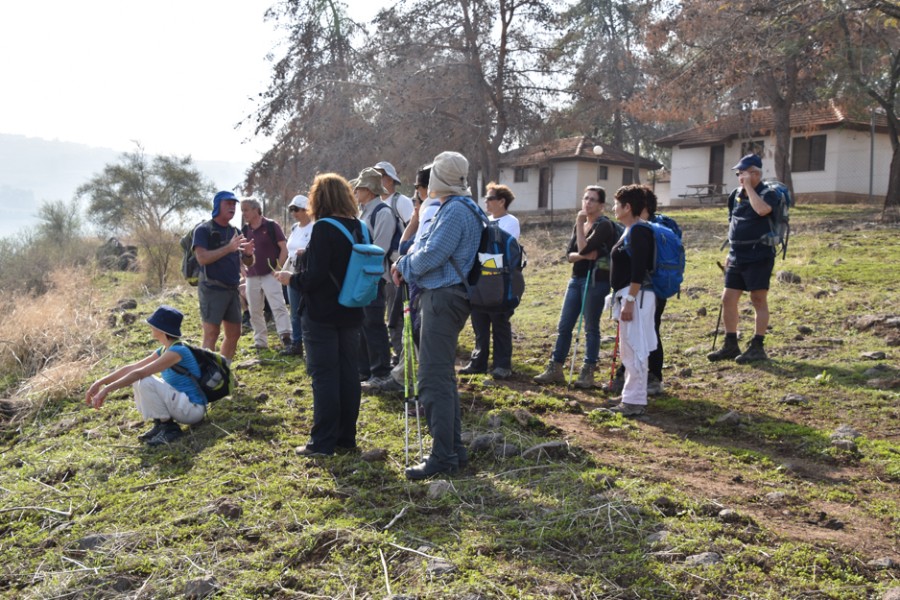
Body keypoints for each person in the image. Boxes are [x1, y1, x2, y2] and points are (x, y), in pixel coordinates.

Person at [392, 151, 482, 480]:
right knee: (441, 377)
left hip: (443, 299)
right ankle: (453, 450)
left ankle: (442, 455)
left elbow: (431, 253)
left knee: (432, 379)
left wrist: (403, 265)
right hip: (446, 298)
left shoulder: (456, 210)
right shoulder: (462, 206)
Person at [275, 173, 364, 457]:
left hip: (322, 312)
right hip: (352, 308)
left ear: (319, 199)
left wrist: (292, 278)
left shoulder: (324, 228)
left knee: (324, 376)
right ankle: (346, 438)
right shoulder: (359, 227)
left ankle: (322, 442)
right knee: (348, 374)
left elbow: (314, 278)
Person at [534, 185, 618, 388]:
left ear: (601, 205)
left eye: (592, 200)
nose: (587, 202)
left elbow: (581, 247)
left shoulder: (604, 225)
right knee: (564, 326)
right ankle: (555, 368)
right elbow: (569, 255)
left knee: (590, 327)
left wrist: (580, 228)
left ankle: (587, 372)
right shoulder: (579, 225)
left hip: (596, 280)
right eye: (585, 198)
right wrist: (583, 253)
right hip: (576, 279)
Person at [85, 305, 206, 446]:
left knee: (145, 380)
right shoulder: (165, 349)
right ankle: (160, 425)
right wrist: (100, 382)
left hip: (193, 410)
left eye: (153, 325)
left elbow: (140, 372)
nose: (150, 327)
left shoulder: (177, 351)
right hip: (182, 404)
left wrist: (107, 390)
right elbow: (132, 368)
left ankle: (169, 429)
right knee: (138, 380)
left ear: (162, 329)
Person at [707, 153, 777, 364]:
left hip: (760, 254)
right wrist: (730, 252)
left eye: (743, 173)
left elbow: (763, 210)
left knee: (757, 299)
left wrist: (749, 188)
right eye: (738, 174)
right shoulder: (735, 195)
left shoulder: (769, 193)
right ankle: (730, 344)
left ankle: (758, 346)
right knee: (728, 298)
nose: (739, 177)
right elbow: (733, 223)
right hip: (737, 255)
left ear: (755, 173)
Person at [605, 188, 669, 395]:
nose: (613, 208)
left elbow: (639, 270)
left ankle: (634, 400)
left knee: (636, 349)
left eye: (616, 204)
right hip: (631, 295)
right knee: (630, 350)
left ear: (627, 207)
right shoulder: (629, 229)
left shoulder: (639, 231)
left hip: (638, 297)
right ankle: (630, 396)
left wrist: (630, 300)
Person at [460, 182, 520, 379]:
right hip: (481, 281)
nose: (486, 202)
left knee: (500, 323)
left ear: (502, 201)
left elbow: (502, 254)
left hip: (500, 284)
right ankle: (478, 362)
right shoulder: (485, 221)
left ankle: (502, 364)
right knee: (479, 322)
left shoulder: (510, 222)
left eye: (490, 198)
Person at [193, 190, 255, 361]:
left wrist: (248, 254)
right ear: (217, 205)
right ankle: (205, 375)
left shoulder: (235, 231)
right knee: (211, 334)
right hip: (212, 288)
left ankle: (222, 371)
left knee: (234, 334)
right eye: (227, 203)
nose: (232, 207)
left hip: (232, 289)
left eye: (234, 204)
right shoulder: (203, 230)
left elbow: (248, 263)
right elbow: (202, 258)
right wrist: (228, 248)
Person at [351, 167, 396, 387]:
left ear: (368, 189)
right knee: (361, 322)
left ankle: (380, 372)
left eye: (358, 187)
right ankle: (363, 370)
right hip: (361, 276)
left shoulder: (383, 213)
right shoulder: (364, 212)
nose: (355, 191)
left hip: (374, 277)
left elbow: (380, 248)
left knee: (374, 323)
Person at [374, 161, 413, 366]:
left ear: (389, 179)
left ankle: (401, 355)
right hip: (381, 267)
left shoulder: (401, 202)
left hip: (396, 266)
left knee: (395, 313)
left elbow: (411, 231)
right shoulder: (373, 204)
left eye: (379, 175)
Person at [240, 198, 292, 352]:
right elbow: (241, 254)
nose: (244, 213)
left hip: (271, 274)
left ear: (256, 209)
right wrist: (242, 270)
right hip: (252, 276)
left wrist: (278, 268)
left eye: (246, 210)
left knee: (278, 306)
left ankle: (286, 336)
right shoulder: (244, 230)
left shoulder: (271, 226)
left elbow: (284, 248)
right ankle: (260, 341)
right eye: (242, 210)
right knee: (255, 309)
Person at [282, 194, 313, 356]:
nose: (294, 213)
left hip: (307, 271)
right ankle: (297, 343)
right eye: (291, 209)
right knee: (294, 309)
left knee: (307, 308)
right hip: (293, 270)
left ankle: (309, 341)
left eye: (297, 209)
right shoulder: (295, 228)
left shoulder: (315, 226)